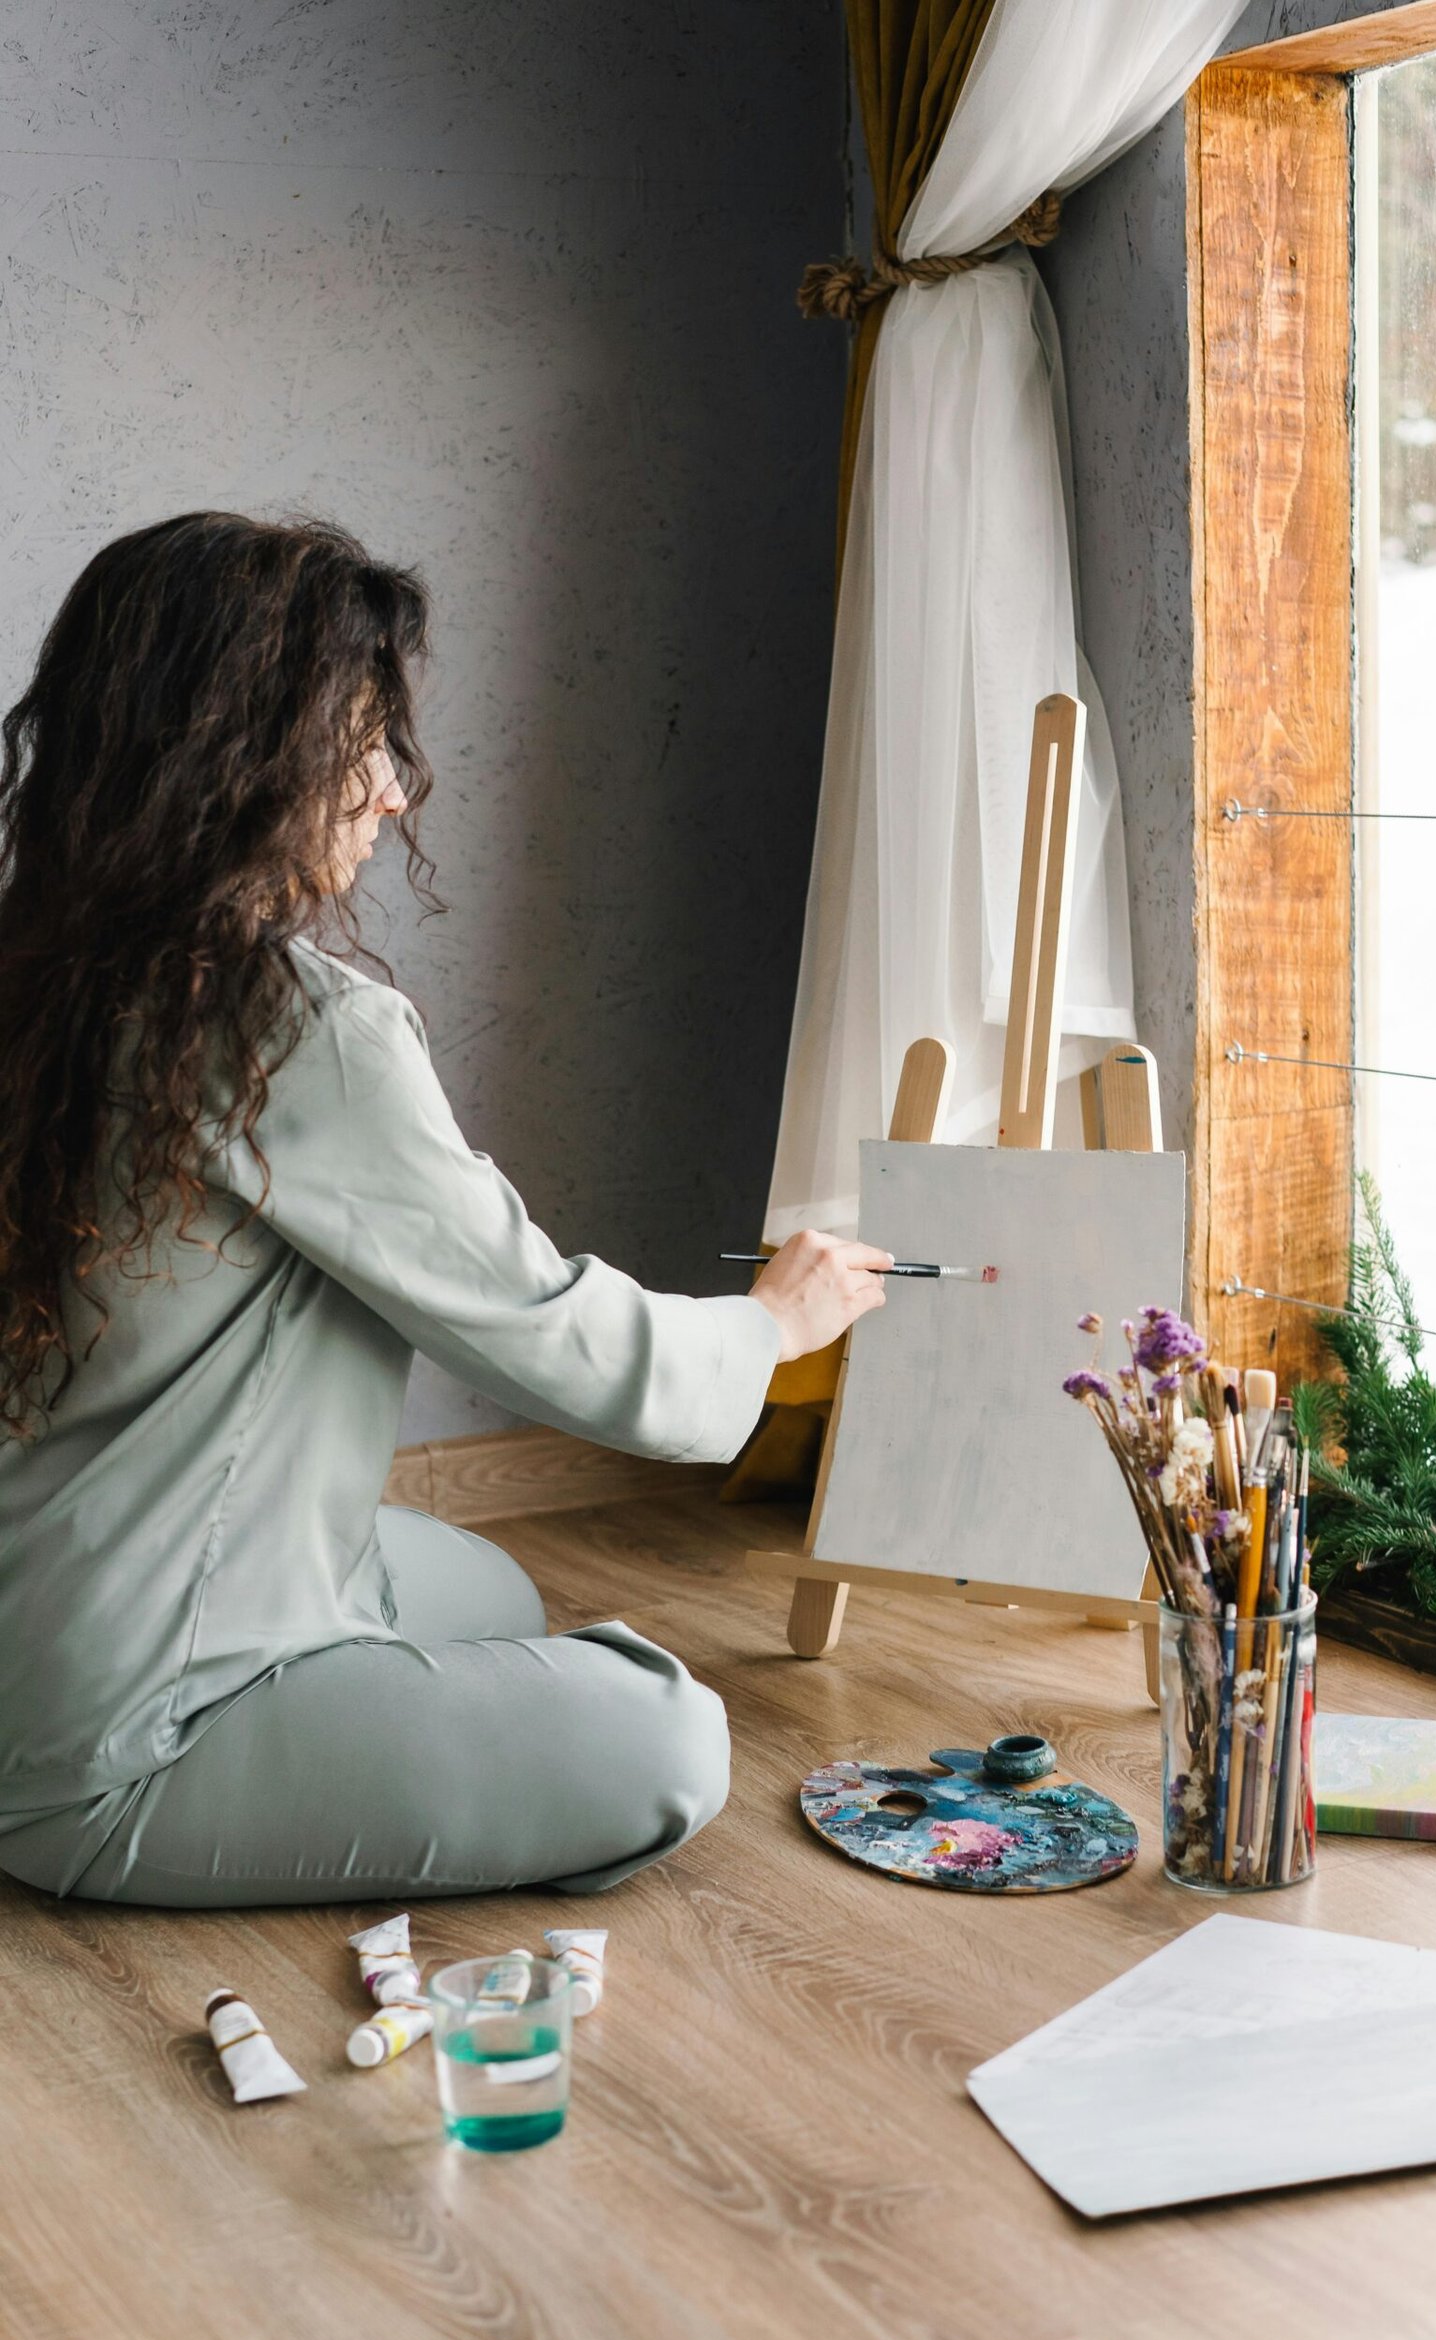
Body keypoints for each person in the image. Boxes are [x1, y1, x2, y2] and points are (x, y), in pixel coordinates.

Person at [0, 513, 888, 1907]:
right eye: (361, 740)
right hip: (116, 1735)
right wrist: (773, 1324)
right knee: (672, 1737)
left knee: (491, 1594)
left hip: (44, 1606)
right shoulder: (293, 1025)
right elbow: (545, 1331)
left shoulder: (36, 970)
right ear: (243, 757)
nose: (391, 791)